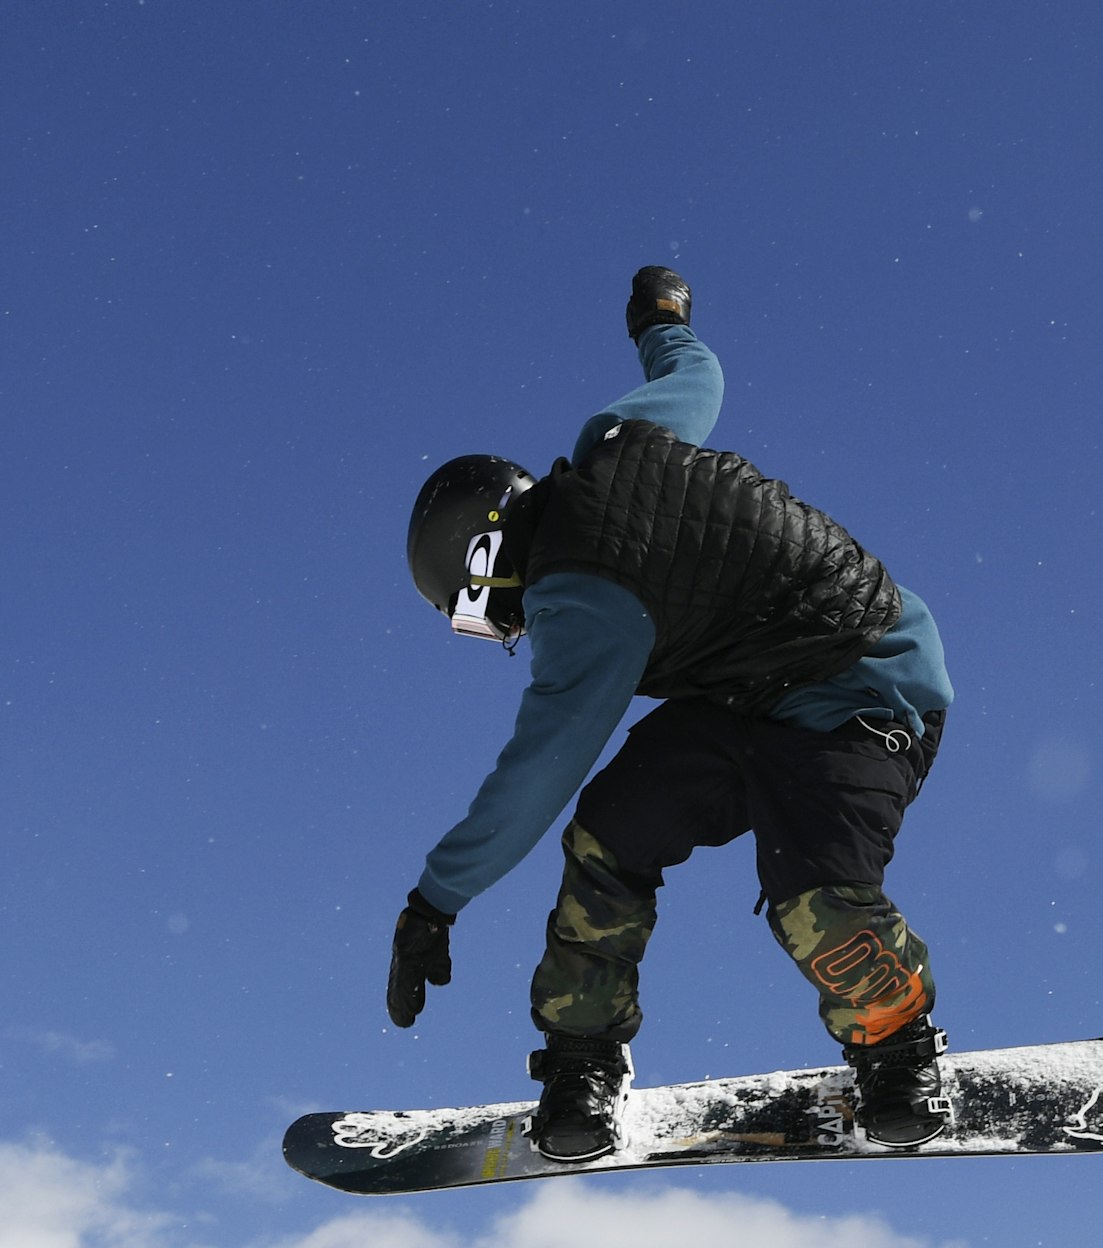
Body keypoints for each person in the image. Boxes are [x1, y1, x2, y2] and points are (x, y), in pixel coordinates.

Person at [391, 265, 959, 1162]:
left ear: (489, 553)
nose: (491, 631)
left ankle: (896, 1048)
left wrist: (435, 900)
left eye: (469, 610)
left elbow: (537, 771)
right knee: (611, 836)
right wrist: (660, 319)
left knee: (809, 893)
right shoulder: (616, 440)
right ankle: (584, 1056)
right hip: (742, 700)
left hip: (865, 686)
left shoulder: (579, 607)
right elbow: (697, 377)